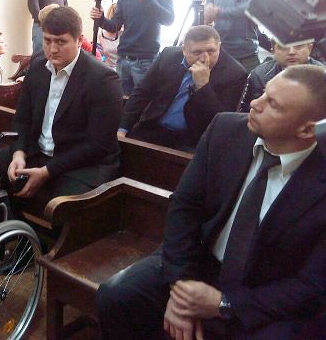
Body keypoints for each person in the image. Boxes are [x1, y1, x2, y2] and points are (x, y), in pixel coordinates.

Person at [97, 64, 326, 340]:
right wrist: (181, 288)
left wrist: (224, 304)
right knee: (116, 294)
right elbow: (184, 208)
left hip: (264, 289)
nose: (255, 103)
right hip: (200, 260)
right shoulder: (226, 129)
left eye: (273, 104)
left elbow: (312, 284)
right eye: (264, 92)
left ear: (306, 130)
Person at [7, 6, 123, 205]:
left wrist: (47, 172)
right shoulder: (37, 67)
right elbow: (22, 119)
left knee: (63, 205)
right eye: (47, 40)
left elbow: (98, 145)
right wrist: (18, 153)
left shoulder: (103, 79)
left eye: (61, 42)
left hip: (84, 164)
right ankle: (10, 223)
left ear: (79, 40)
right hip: (40, 153)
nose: (52, 49)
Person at [119, 25, 247, 151]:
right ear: (184, 50)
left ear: (219, 46)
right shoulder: (168, 56)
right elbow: (142, 93)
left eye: (211, 51)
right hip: (154, 127)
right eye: (197, 52)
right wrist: (123, 128)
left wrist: (203, 87)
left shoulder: (235, 74)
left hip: (193, 140)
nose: (204, 59)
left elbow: (220, 122)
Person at [90, 0, 175, 97]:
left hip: (146, 61)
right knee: (122, 104)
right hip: (123, 60)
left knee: (144, 105)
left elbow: (168, 19)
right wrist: (101, 18)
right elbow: (115, 25)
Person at [239, 40, 324, 112]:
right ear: (273, 50)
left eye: (298, 46)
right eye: (284, 46)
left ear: (310, 48)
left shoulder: (323, 77)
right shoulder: (259, 75)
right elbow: (247, 112)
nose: (291, 52)